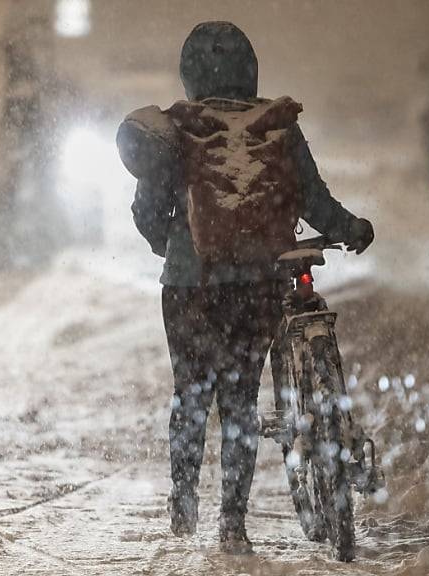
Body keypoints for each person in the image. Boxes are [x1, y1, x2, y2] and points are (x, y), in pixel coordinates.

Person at [119, 21, 374, 554]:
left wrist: (175, 250)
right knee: (238, 403)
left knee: (191, 395)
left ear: (189, 72)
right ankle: (233, 523)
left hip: (191, 287)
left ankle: (184, 498)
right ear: (250, 67)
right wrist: (352, 229)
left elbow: (146, 212)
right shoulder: (276, 126)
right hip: (257, 285)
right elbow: (314, 201)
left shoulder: (175, 129)